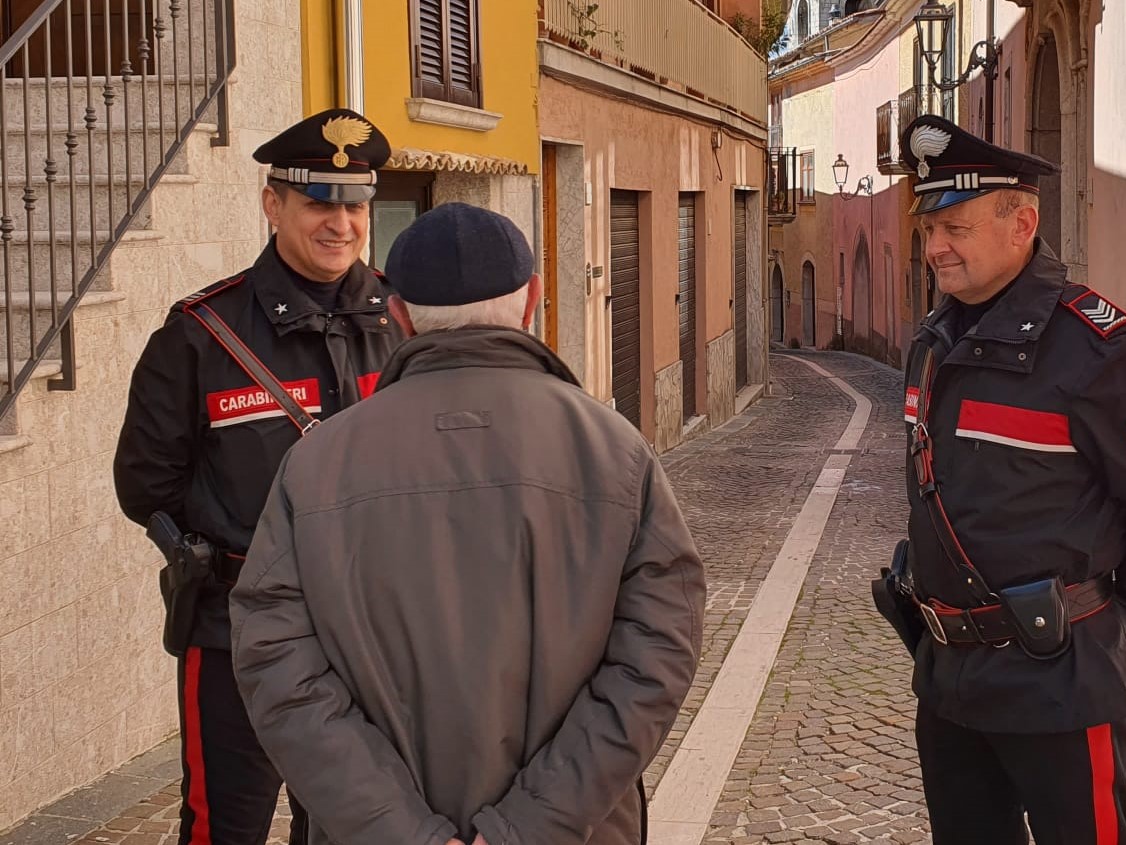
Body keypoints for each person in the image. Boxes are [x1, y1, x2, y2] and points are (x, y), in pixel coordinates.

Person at [228, 202, 706, 845]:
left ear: (396, 316)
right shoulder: (615, 451)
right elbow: (656, 654)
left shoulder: (314, 464)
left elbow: (278, 667)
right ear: (533, 301)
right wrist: (529, 825)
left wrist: (399, 831)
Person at [892, 115, 1126, 844]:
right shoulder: (933, 340)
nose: (936, 247)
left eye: (955, 226)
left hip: (1062, 689)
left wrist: (1097, 619)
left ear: (1022, 223)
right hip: (951, 685)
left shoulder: (1098, 355)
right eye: (929, 228)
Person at [113, 108, 404, 845]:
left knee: (350, 823)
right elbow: (145, 485)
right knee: (224, 827)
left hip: (371, 628)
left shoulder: (404, 326)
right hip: (236, 628)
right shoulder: (200, 334)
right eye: (319, 202)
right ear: (272, 203)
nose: (341, 222)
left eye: (356, 203)